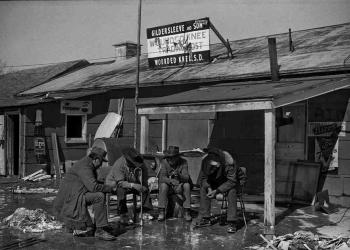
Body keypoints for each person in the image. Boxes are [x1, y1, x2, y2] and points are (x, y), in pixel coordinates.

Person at [53, 146, 116, 241]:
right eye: (101, 162)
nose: (101, 164)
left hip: (76, 193)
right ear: (96, 159)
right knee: (99, 196)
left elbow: (91, 182)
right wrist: (109, 188)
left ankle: (101, 225)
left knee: (100, 193)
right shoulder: (85, 167)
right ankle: (100, 230)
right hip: (71, 198)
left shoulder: (87, 163)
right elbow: (93, 187)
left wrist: (104, 185)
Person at [105, 147, 153, 224]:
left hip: (130, 183)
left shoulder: (140, 163)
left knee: (145, 189)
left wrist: (144, 186)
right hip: (114, 184)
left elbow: (144, 180)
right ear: (128, 160)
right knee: (121, 190)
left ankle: (144, 211)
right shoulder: (119, 164)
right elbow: (120, 183)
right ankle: (123, 214)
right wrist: (133, 185)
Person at [197, 148, 238, 233]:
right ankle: (206, 218)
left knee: (232, 191)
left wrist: (217, 191)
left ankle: (232, 221)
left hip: (228, 183)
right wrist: (209, 188)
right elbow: (203, 178)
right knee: (203, 189)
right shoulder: (206, 161)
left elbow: (232, 181)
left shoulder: (229, 163)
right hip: (214, 183)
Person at [158, 146, 192, 222]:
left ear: (177, 157)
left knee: (187, 185)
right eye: (169, 157)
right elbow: (162, 177)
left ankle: (187, 211)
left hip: (180, 186)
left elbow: (186, 178)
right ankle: (161, 211)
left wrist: (179, 175)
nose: (170, 159)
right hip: (169, 186)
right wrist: (172, 181)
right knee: (163, 185)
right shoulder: (164, 162)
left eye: (172, 157)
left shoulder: (183, 162)